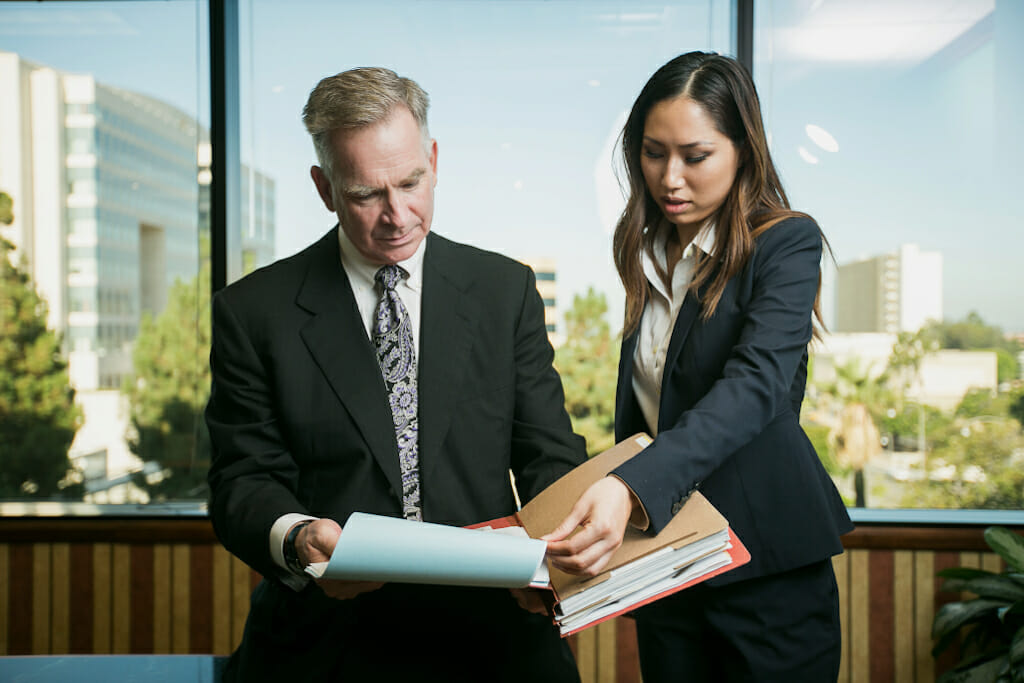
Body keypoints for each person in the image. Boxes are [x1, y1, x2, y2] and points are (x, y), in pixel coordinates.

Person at [205, 66, 586, 683]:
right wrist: (300, 538)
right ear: (325, 188)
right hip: (324, 644)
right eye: (365, 194)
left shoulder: (505, 291)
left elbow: (548, 455)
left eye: (412, 182)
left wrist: (562, 552)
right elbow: (241, 481)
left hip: (494, 639)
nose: (397, 214)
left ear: (433, 159)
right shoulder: (254, 313)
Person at [543, 51, 854, 681]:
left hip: (764, 567)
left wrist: (630, 486)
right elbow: (649, 412)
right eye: (653, 153)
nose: (670, 178)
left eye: (695, 155)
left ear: (743, 150)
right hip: (669, 562)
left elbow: (756, 386)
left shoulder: (784, 243)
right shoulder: (648, 254)